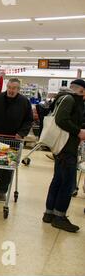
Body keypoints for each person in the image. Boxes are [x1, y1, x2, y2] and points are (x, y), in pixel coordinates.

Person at [43, 79, 85, 232]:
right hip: (67, 148)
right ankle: (60, 217)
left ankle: (49, 214)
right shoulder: (70, 99)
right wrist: (78, 132)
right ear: (81, 90)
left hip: (62, 147)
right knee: (67, 184)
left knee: (58, 180)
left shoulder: (66, 98)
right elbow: (61, 120)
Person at [0, 78, 34, 201]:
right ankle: (1, 185)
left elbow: (29, 120)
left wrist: (21, 133)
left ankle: (2, 190)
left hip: (13, 139)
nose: (11, 90)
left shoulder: (24, 102)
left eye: (14, 88)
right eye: (10, 88)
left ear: (18, 89)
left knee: (8, 165)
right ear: (7, 87)